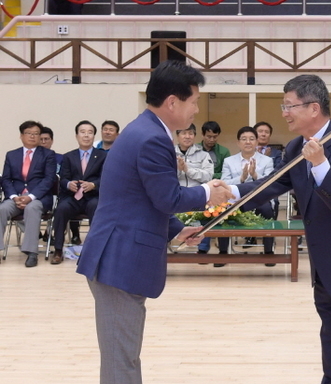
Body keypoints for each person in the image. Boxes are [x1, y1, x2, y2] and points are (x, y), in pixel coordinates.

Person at [76, 60, 233, 384]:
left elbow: (138, 197)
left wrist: (177, 229)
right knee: (123, 362)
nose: (196, 110)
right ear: (173, 102)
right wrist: (207, 191)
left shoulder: (144, 130)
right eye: (194, 102)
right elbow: (167, 197)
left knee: (123, 357)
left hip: (118, 256)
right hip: (119, 261)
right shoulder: (152, 138)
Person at [231, 75, 331, 383]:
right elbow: (271, 183)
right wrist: (233, 193)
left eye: (289, 105)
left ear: (313, 107)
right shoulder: (295, 147)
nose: (284, 112)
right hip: (326, 273)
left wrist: (320, 164)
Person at [0, 120, 57, 267]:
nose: (32, 136)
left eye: (36, 134)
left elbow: (49, 179)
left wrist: (30, 197)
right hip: (15, 197)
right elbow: (6, 179)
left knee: (32, 208)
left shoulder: (48, 155)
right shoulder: (12, 155)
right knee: (2, 209)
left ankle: (31, 253)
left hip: (38, 198)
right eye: (29, 133)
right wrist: (14, 197)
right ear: (21, 135)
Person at [217, 126, 275, 267]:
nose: (248, 142)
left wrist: (255, 175)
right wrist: (241, 178)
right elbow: (224, 183)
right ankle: (223, 253)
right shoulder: (229, 161)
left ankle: (268, 251)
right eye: (244, 139)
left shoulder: (267, 161)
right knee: (222, 209)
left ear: (256, 142)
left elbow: (271, 183)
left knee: (267, 209)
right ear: (238, 143)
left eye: (251, 139)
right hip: (236, 198)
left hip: (260, 198)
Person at [50, 120, 107, 265]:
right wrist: (69, 184)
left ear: (94, 136)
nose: (86, 135)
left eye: (90, 132)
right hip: (73, 197)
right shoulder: (69, 156)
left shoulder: (102, 156)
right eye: (82, 132)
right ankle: (57, 250)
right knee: (61, 209)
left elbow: (106, 178)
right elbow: (63, 178)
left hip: (92, 197)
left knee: (96, 208)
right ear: (76, 136)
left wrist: (94, 185)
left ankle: (93, 251)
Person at [174, 123, 214, 254]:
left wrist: (187, 170)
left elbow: (208, 176)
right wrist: (179, 171)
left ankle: (202, 249)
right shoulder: (168, 153)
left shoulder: (203, 155)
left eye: (190, 133)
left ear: (195, 136)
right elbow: (163, 177)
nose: (187, 136)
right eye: (184, 133)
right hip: (176, 195)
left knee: (208, 212)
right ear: (177, 135)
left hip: (196, 195)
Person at [40, 126, 81, 243]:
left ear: (52, 141)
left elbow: (66, 176)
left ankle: (73, 232)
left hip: (57, 193)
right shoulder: (34, 158)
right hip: (39, 193)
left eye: (46, 139)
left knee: (67, 202)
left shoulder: (61, 158)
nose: (43, 142)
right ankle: (37, 233)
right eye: (41, 139)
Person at [254, 121, 283, 219]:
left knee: (273, 201)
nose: (263, 134)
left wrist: (266, 159)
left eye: (266, 132)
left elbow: (277, 171)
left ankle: (271, 231)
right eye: (260, 131)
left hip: (269, 187)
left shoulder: (276, 153)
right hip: (251, 186)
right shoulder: (247, 151)